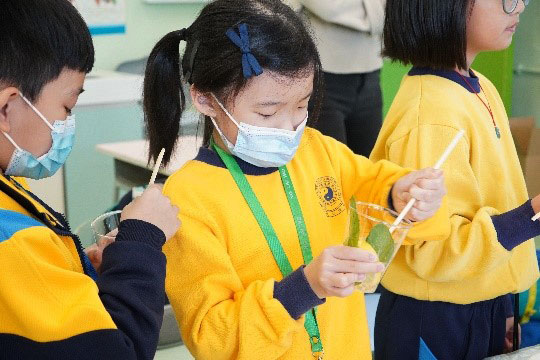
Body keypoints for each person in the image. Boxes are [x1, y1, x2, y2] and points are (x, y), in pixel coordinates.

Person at [142, 1, 448, 358]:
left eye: (302, 105)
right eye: (268, 111)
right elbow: (213, 338)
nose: (291, 126)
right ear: (206, 100)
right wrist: (303, 289)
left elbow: (375, 187)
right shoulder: (188, 199)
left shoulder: (318, 150)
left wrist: (403, 193)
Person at [0, 1, 181, 359]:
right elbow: (118, 351)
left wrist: (76, 271)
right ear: (7, 107)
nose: (68, 124)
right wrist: (141, 243)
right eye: (67, 108)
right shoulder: (15, 244)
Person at [369, 0, 539, 359]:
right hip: (435, 317)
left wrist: (504, 305)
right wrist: (530, 217)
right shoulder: (431, 115)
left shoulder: (479, 87)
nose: (520, 7)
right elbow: (432, 253)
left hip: (478, 303)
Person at [286, 0, 386, 157]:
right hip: (320, 75)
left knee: (372, 166)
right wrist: (381, 13)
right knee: (327, 169)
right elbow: (328, 7)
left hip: (370, 72)